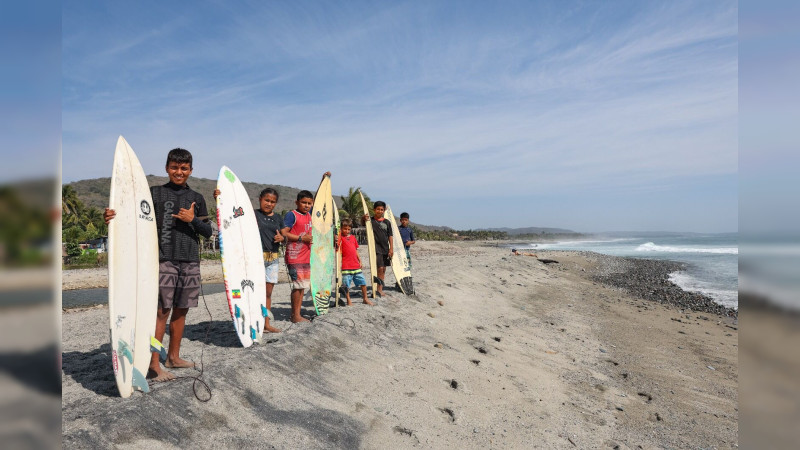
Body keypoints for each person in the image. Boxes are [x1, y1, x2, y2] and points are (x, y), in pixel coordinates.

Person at [104, 148, 213, 382]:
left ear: (191, 171)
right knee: (161, 311)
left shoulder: (197, 198)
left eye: (184, 168)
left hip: (190, 259)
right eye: (174, 167)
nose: (179, 172)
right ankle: (153, 363)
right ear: (167, 168)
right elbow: (134, 218)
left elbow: (207, 231)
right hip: (163, 259)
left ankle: (173, 357)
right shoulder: (154, 193)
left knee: (182, 309)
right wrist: (113, 217)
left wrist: (191, 219)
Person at [213, 187, 283, 333]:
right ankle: (250, 322)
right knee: (251, 292)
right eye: (266, 200)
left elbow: (284, 235)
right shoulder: (252, 214)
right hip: (254, 259)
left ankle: (266, 324)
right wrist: (219, 199)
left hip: (273, 259)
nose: (269, 204)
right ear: (260, 199)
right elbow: (231, 215)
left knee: (267, 294)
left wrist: (282, 238)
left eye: (273, 202)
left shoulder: (278, 218)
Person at [280, 172, 331, 322]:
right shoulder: (292, 215)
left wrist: (323, 181)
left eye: (309, 203)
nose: (307, 205)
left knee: (302, 286)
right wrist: (302, 238)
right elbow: (284, 233)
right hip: (295, 256)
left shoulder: (310, 215)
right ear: (297, 202)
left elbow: (319, 198)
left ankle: (297, 314)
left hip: (308, 256)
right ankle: (295, 316)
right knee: (297, 286)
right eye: (304, 203)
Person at [337, 218, 373, 306]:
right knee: (346, 285)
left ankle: (365, 298)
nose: (347, 231)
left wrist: (360, 260)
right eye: (345, 229)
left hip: (356, 265)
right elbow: (336, 247)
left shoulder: (353, 238)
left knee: (363, 282)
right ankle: (348, 300)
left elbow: (355, 250)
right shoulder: (340, 238)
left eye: (349, 229)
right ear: (341, 229)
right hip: (346, 266)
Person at [362, 200, 393, 297]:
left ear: (384, 210)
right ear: (374, 210)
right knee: (379, 268)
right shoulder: (370, 221)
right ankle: (377, 289)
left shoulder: (387, 222)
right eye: (378, 209)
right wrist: (363, 218)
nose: (380, 211)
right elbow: (363, 223)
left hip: (385, 248)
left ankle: (380, 289)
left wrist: (391, 248)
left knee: (383, 269)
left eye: (382, 209)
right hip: (376, 248)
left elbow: (390, 236)